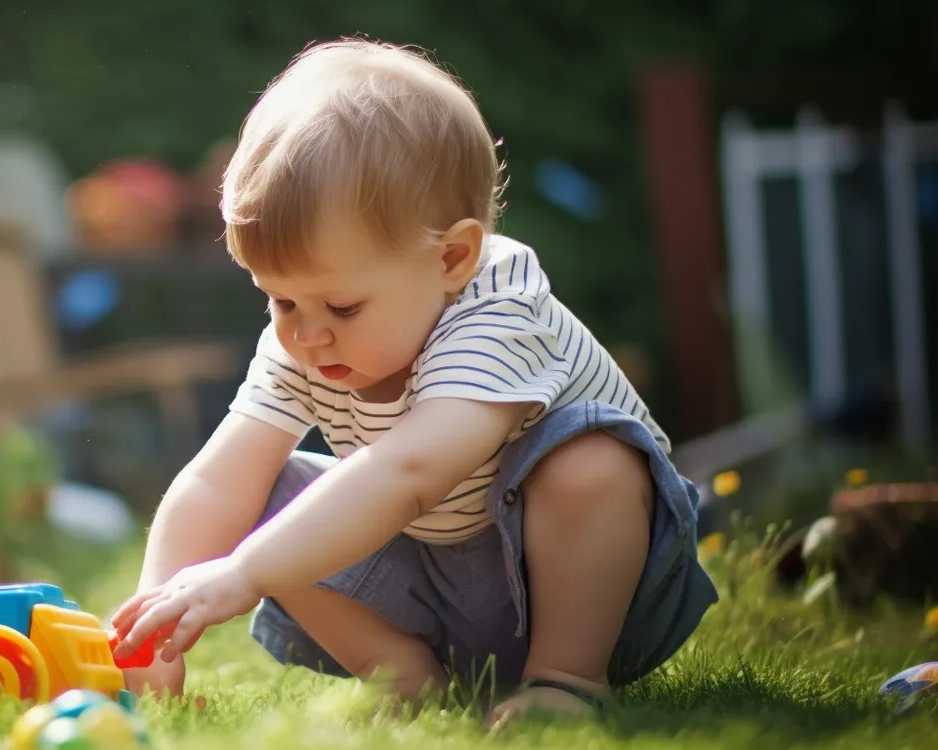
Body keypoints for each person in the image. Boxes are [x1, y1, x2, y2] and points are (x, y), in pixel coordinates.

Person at [107, 37, 719, 727]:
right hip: (434, 579)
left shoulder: (499, 307)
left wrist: (246, 573)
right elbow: (218, 482)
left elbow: (412, 469)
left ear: (453, 257)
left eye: (341, 306)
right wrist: (152, 616)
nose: (306, 334)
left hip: (594, 587)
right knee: (260, 498)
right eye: (281, 300)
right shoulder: (305, 337)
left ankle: (567, 680)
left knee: (591, 459)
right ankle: (402, 675)